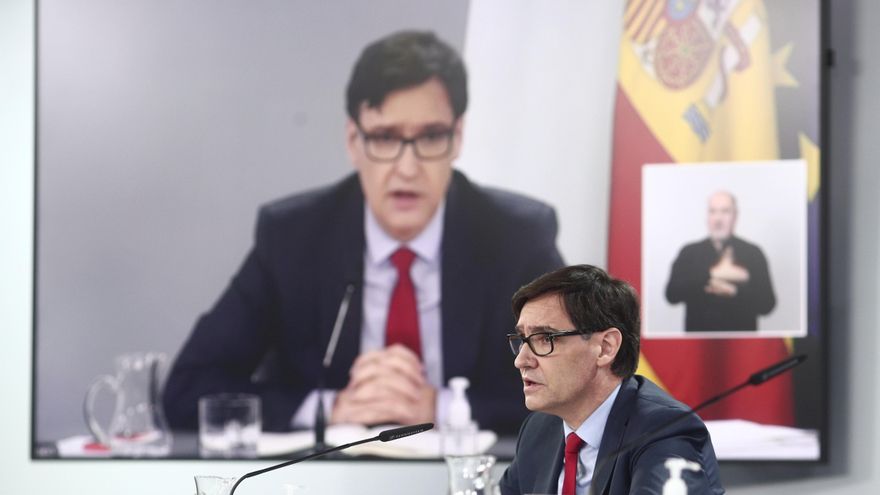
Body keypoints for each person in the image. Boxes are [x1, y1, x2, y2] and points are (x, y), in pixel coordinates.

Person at [162, 30, 564, 434]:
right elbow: (187, 391)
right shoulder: (293, 239)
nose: (407, 168)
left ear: (457, 138)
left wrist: (440, 407)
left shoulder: (516, 238)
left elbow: (577, 385)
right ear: (353, 140)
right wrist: (334, 407)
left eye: (429, 137)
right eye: (385, 138)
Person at [499, 265, 723, 495]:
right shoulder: (539, 429)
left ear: (606, 348)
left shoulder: (665, 431)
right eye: (523, 339)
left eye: (545, 338)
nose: (522, 360)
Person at [665, 190, 776, 331]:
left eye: (725, 212)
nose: (718, 219)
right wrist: (714, 273)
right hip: (697, 345)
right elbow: (671, 295)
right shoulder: (689, 252)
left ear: (735, 216)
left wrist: (735, 292)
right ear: (707, 216)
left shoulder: (753, 253)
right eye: (713, 211)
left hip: (743, 345)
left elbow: (767, 305)